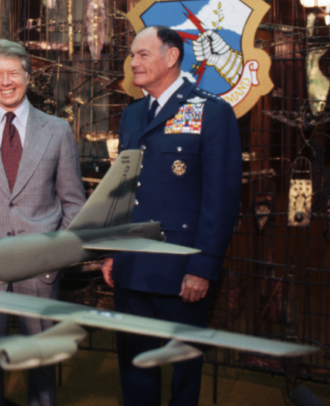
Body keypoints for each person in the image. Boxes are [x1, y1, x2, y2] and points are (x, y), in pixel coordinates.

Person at [102, 26, 242, 406]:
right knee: (135, 365)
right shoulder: (131, 116)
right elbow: (124, 189)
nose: (133, 62)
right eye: (132, 55)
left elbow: (222, 198)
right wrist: (113, 250)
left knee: (183, 371)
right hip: (132, 266)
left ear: (171, 56)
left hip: (181, 269)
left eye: (142, 54)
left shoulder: (211, 111)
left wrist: (203, 267)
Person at [0, 39, 86, 406]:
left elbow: (74, 203)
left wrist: (57, 257)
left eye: (13, 73)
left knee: (41, 363)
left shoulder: (56, 130)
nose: (5, 82)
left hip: (38, 268)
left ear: (28, 75)